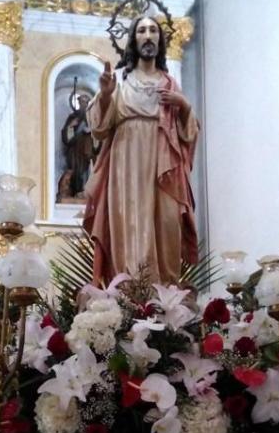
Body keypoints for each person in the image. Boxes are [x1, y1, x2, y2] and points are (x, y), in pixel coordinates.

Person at [83, 15, 199, 284]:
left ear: (160, 40)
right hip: (126, 163)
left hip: (164, 163)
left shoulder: (170, 84)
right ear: (133, 40)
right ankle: (130, 290)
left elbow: (189, 133)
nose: (148, 36)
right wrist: (105, 95)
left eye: (153, 31)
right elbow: (100, 129)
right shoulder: (121, 82)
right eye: (142, 31)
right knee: (129, 221)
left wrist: (183, 105)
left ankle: (166, 289)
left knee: (167, 221)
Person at [57, 93, 94, 200]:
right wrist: (70, 126)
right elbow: (67, 138)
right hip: (75, 153)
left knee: (87, 174)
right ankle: (76, 193)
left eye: (86, 103)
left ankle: (85, 193)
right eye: (82, 102)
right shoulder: (73, 117)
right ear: (79, 103)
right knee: (76, 174)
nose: (84, 105)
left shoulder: (92, 118)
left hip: (87, 153)